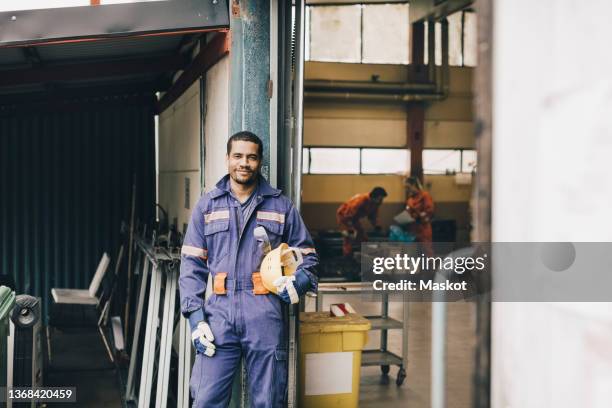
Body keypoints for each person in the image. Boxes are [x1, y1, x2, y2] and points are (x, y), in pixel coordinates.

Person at [179, 131, 318, 408]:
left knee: (268, 401)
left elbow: (309, 259)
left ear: (260, 162)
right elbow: (191, 265)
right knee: (205, 399)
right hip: (218, 315)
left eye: (251, 157)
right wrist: (196, 320)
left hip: (264, 314)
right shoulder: (208, 206)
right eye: (238, 156)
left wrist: (297, 283)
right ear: (228, 159)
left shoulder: (281, 206)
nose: (244, 163)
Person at [336, 187, 388, 257]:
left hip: (354, 218)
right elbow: (349, 213)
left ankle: (363, 254)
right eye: (380, 198)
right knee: (349, 236)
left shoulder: (375, 203)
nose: (381, 200)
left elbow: (373, 216)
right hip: (344, 216)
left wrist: (376, 225)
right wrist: (350, 228)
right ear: (374, 196)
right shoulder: (360, 200)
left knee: (361, 235)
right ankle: (347, 256)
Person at [404, 176, 435, 255]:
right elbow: (408, 212)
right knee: (414, 254)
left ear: (414, 185)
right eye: (405, 188)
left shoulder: (425, 196)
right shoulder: (410, 200)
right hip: (413, 230)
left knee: (427, 253)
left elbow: (429, 211)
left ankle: (431, 267)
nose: (407, 190)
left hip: (423, 230)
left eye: (408, 187)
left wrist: (419, 216)